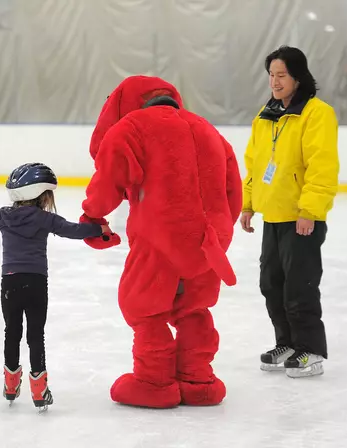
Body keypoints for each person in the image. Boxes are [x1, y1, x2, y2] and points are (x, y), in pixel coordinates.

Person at [79, 75, 242, 408]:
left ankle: (154, 382)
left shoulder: (133, 126)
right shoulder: (209, 131)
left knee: (145, 307)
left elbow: (110, 174)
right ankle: (199, 380)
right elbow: (233, 193)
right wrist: (218, 232)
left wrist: (93, 217)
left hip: (158, 235)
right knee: (194, 308)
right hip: (208, 240)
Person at [0, 163, 111, 410]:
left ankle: (11, 385)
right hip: (36, 283)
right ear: (41, 195)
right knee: (35, 334)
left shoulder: (3, 215)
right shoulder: (44, 218)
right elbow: (73, 230)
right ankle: (39, 390)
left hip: (10, 282)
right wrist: (97, 229)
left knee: (11, 332)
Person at [240, 45, 339, 378]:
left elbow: (321, 166)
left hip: (302, 217)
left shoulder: (316, 113)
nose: (275, 82)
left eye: (281, 75)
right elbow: (254, 163)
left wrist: (309, 210)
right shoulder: (266, 114)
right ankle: (287, 342)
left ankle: (310, 349)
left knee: (300, 286)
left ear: (298, 77)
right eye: (271, 75)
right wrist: (248, 203)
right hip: (274, 215)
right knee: (272, 283)